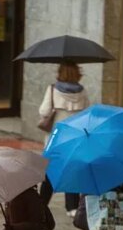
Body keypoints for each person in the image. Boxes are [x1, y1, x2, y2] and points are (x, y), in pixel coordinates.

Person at [38, 61, 89, 216]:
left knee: (50, 172)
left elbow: (44, 111)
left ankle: (41, 204)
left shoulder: (53, 89)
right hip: (75, 138)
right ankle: (72, 207)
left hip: (56, 138)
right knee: (72, 171)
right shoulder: (82, 92)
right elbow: (87, 114)